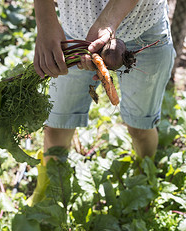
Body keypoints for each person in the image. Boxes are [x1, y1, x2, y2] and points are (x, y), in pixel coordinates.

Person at [28, 0, 175, 206]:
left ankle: (143, 181)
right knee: (55, 126)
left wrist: (107, 22)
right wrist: (45, 22)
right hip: (73, 31)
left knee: (140, 127)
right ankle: (46, 199)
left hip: (144, 28)